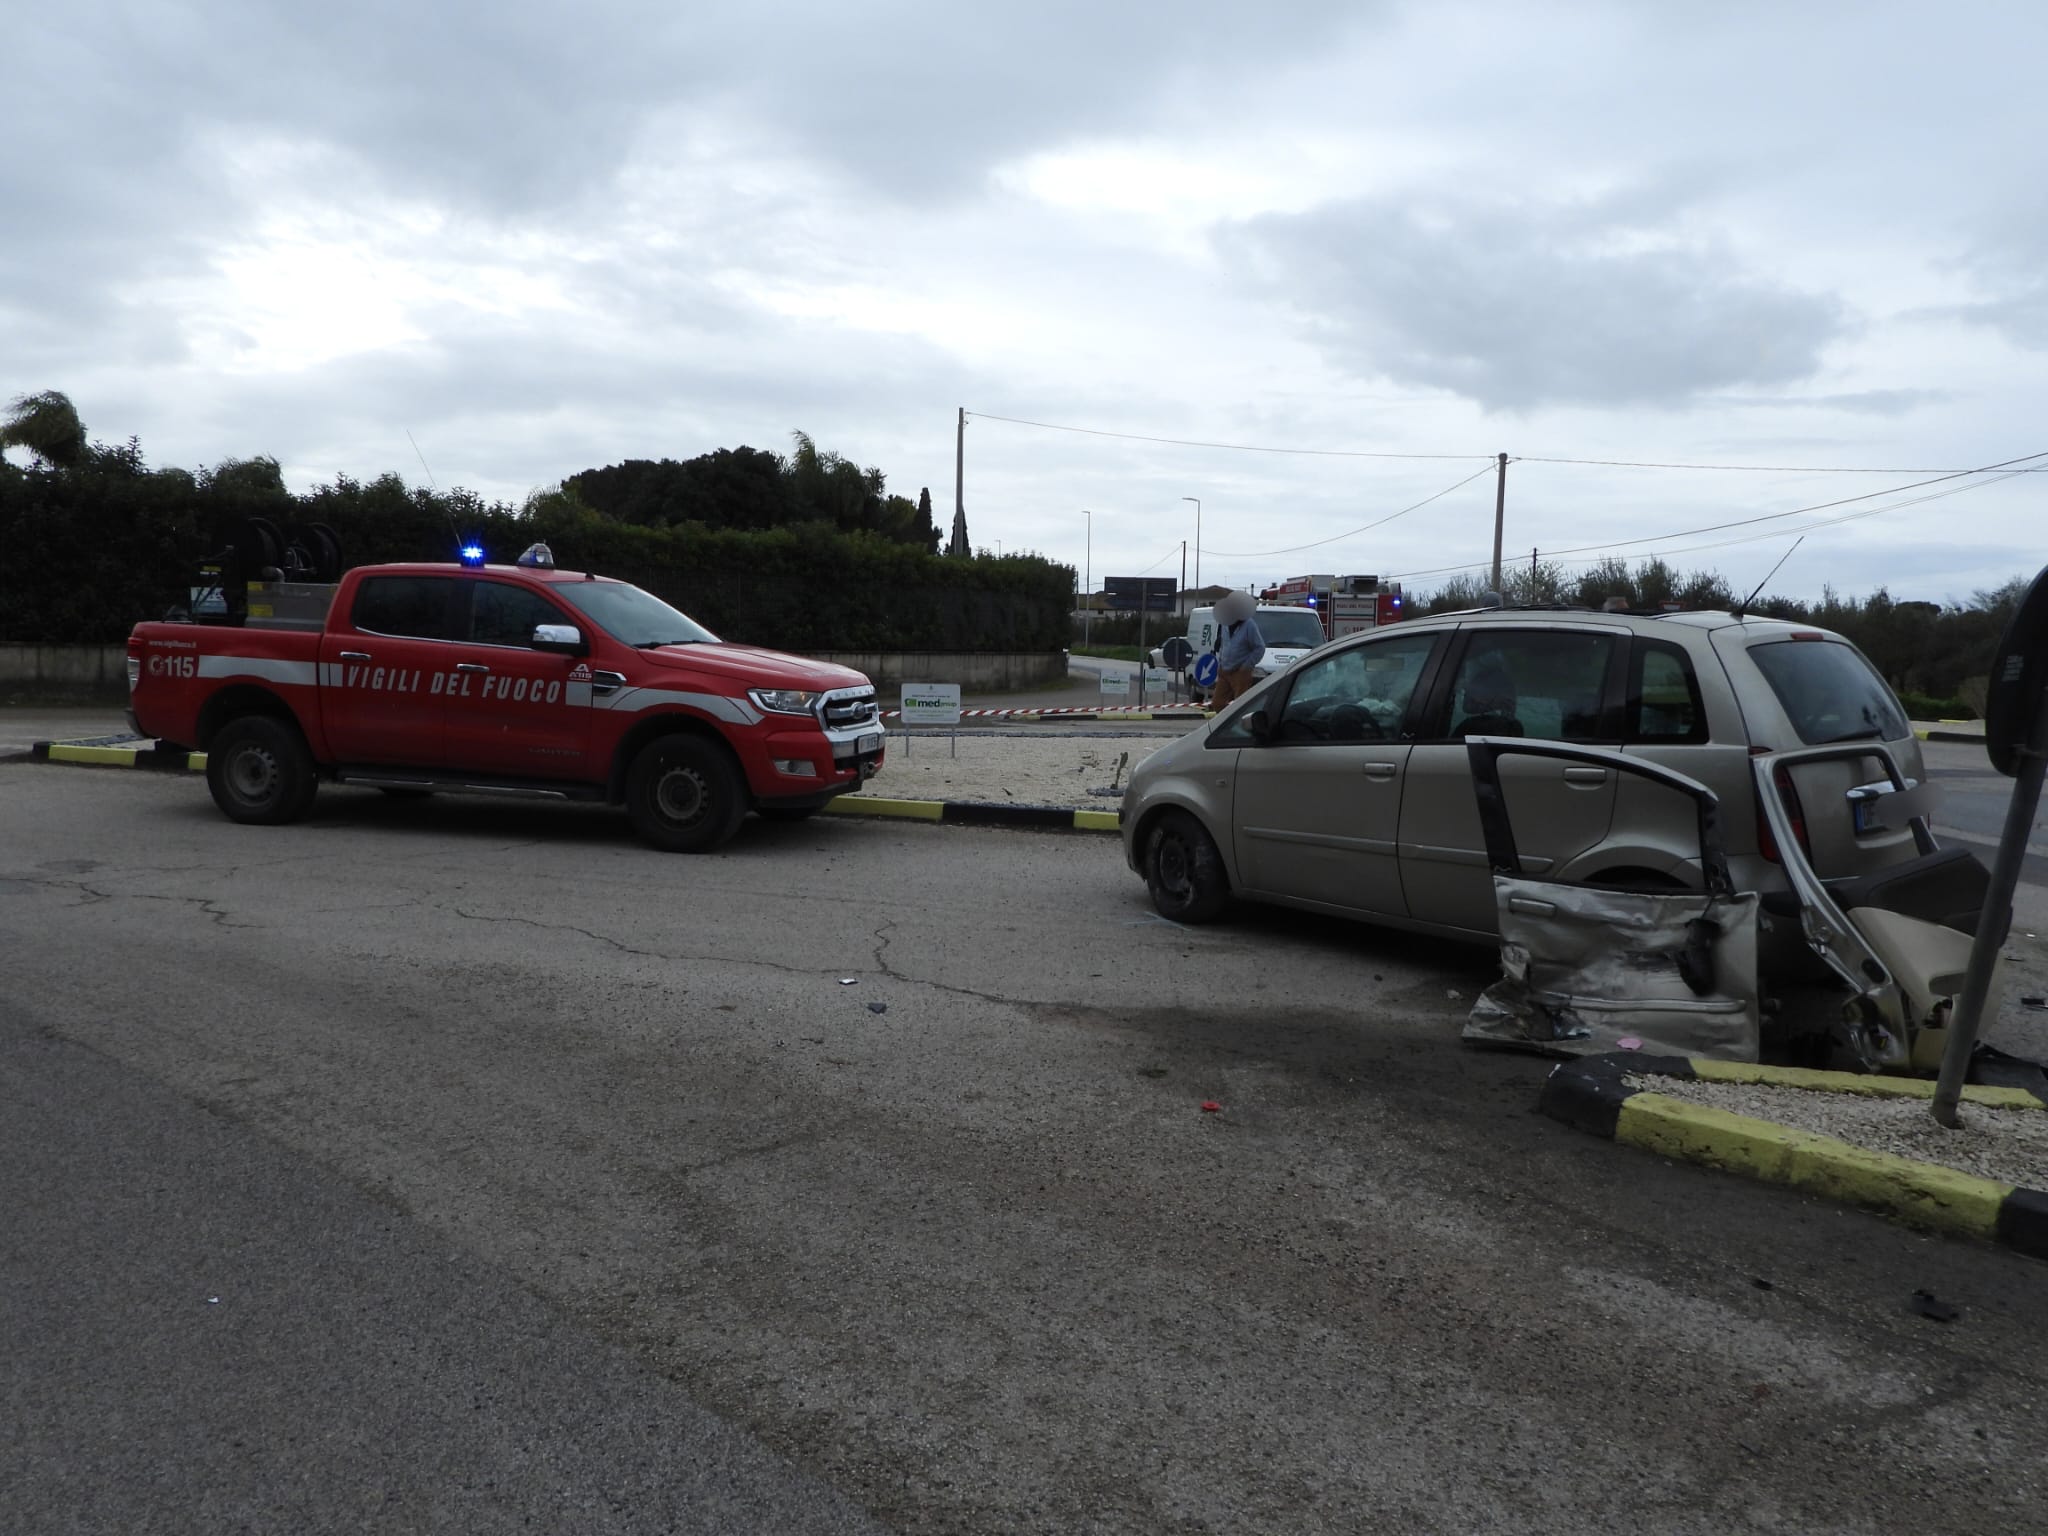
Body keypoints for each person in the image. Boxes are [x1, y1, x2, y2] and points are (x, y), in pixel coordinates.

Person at [1208, 591, 1267, 710]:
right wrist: (1221, 662)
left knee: (1239, 707)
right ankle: (1223, 726)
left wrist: (1246, 666)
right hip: (1225, 670)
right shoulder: (1225, 624)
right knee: (1217, 704)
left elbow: (1259, 647)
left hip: (1240, 671)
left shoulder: (1249, 625)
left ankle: (1238, 726)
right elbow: (1224, 644)